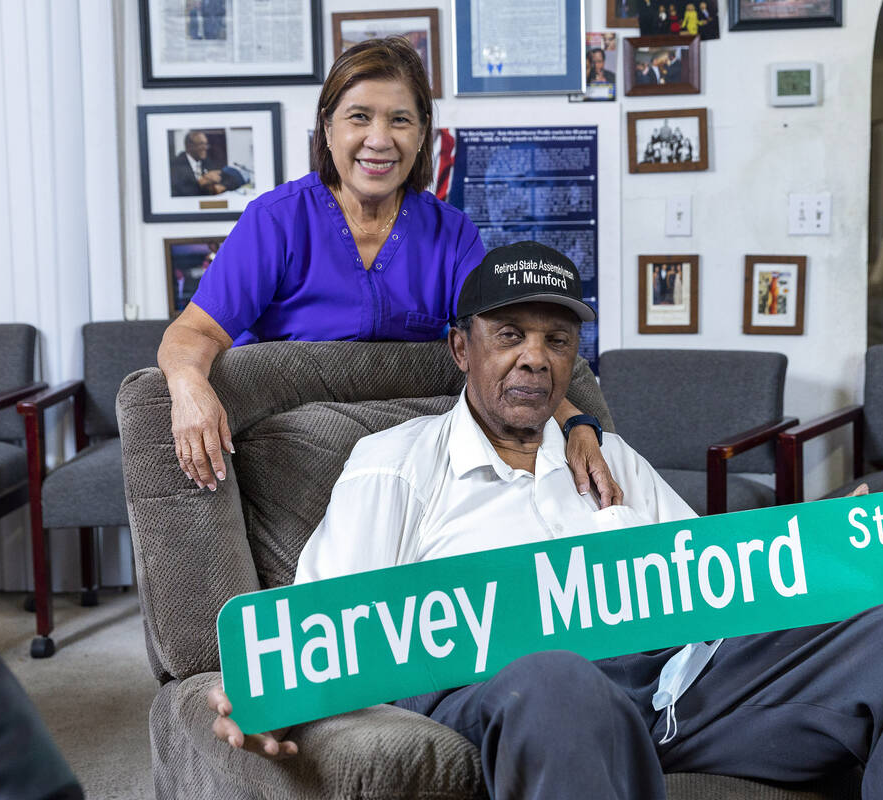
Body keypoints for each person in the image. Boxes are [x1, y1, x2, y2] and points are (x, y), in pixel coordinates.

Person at [207, 242, 883, 800]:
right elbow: (318, 624)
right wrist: (266, 690)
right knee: (559, 673)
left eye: (556, 340)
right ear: (461, 349)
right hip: (526, 693)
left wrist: (839, 551)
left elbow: (717, 588)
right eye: (509, 336)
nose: (534, 357)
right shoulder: (394, 464)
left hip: (680, 690)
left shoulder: (608, 459)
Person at [158, 38, 617, 507]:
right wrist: (189, 386)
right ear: (327, 128)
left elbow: (504, 343)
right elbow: (194, 331)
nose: (379, 139)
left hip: (407, 458)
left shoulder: (451, 233)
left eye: (399, 119)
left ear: (421, 137)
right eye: (359, 116)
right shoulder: (277, 220)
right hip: (294, 456)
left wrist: (575, 422)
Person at [169, 131, 225, 197]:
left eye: (206, 144)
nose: (205, 148)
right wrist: (200, 183)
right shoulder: (175, 165)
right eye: (201, 144)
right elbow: (176, 193)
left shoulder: (207, 162)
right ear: (189, 146)